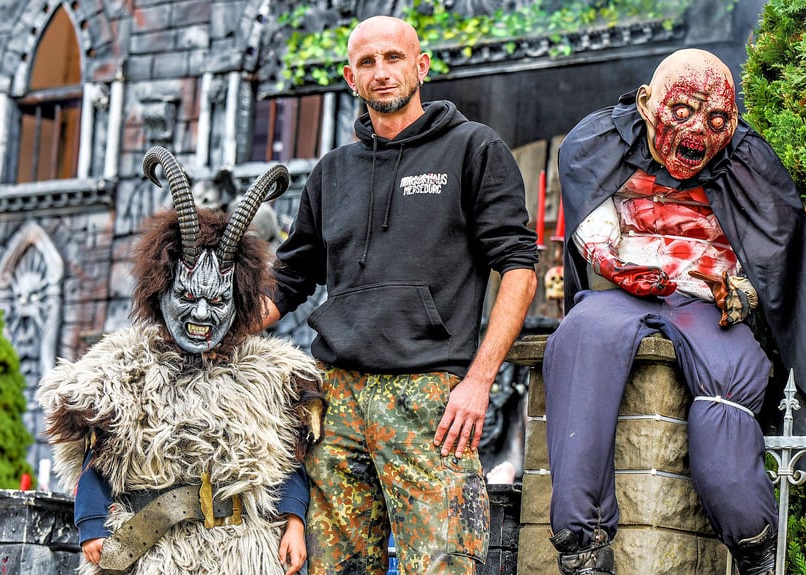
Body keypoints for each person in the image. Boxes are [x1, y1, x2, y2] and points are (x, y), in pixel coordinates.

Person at [260, 15, 538, 575]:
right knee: (333, 568)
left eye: (393, 57)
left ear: (421, 66)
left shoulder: (473, 149)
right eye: (367, 62)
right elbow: (288, 281)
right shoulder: (331, 172)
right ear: (350, 78)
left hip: (431, 397)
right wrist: (213, 328)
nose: (381, 72)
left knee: (442, 565)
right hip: (336, 403)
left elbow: (519, 270)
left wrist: (479, 380)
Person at [543, 49, 806, 575]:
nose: (698, 130)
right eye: (682, 111)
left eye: (716, 119)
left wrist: (738, 290)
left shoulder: (748, 161)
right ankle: (581, 543)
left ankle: (753, 539)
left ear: (733, 121)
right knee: (582, 339)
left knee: (731, 372)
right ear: (647, 103)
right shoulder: (600, 140)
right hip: (623, 290)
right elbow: (592, 220)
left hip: (703, 297)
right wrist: (616, 265)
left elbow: (771, 252)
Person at [37, 147, 325, 575]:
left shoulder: (269, 376)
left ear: (238, 300)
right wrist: (92, 523)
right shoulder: (123, 371)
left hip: (240, 550)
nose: (202, 314)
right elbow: (97, 458)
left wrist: (294, 522)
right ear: (162, 291)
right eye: (188, 296)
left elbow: (289, 461)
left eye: (218, 300)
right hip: (152, 548)